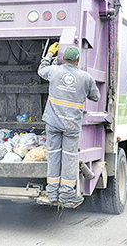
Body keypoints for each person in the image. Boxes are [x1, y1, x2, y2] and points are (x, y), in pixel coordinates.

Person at [37, 43, 100, 208]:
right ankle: (66, 194)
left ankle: (52, 192)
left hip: (52, 123)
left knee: (54, 156)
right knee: (69, 157)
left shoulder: (54, 70)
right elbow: (96, 97)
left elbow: (41, 70)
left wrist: (49, 54)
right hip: (71, 125)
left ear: (63, 58)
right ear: (78, 60)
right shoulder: (86, 77)